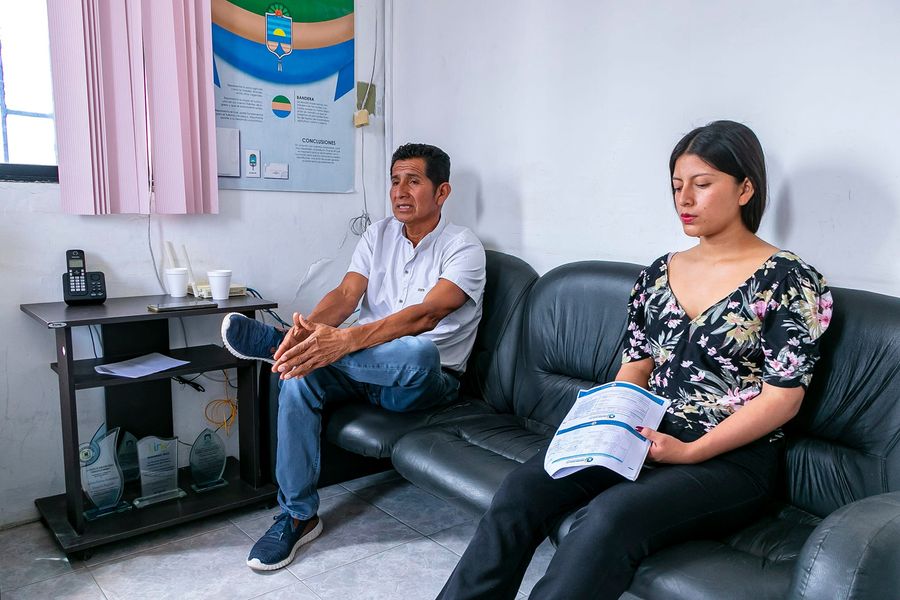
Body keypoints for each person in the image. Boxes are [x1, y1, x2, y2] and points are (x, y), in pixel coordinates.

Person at [437, 120, 833, 600]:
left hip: (730, 459)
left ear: (745, 188)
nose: (685, 199)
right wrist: (608, 424)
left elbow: (782, 399)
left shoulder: (788, 279)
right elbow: (637, 365)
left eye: (702, 184)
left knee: (607, 517)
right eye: (677, 186)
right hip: (645, 433)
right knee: (523, 488)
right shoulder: (658, 274)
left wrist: (688, 451)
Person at [221, 143, 486, 571]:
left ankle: (277, 343)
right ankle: (298, 516)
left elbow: (427, 315)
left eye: (413, 181)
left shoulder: (463, 246)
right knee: (299, 376)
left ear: (442, 192)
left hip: (424, 382)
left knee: (417, 351)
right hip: (363, 371)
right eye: (395, 181)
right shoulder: (377, 234)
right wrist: (307, 332)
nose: (400, 191)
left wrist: (344, 342)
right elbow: (346, 294)